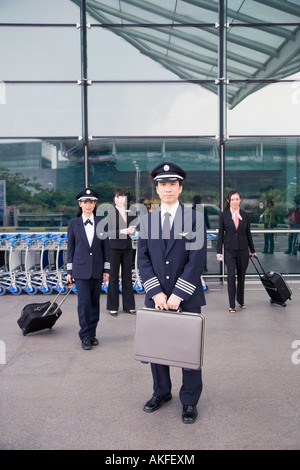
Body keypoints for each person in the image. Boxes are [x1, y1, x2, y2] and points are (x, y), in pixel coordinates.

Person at [138, 162, 207, 424]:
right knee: (158, 348)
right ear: (157, 188)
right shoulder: (148, 219)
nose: (167, 188)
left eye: (172, 184)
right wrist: (156, 292)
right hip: (157, 296)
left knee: (188, 350)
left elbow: (196, 259)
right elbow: (142, 259)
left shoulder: (194, 218)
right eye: (162, 184)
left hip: (185, 297)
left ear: (180, 188)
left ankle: (189, 400)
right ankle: (161, 392)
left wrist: (178, 294)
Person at [67, 188, 110, 350]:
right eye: (85, 202)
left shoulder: (101, 222)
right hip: (80, 270)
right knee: (84, 304)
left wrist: (107, 270)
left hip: (97, 269)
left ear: (95, 204)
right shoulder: (73, 224)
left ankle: (92, 334)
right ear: (80, 204)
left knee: (94, 304)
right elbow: (70, 248)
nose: (88, 205)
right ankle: (85, 336)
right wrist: (69, 272)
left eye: (91, 202)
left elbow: (106, 247)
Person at [216, 190, 256, 313]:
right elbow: (220, 234)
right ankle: (232, 304)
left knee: (241, 276)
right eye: (232, 199)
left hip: (243, 250)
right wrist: (219, 251)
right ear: (229, 201)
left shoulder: (245, 215)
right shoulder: (223, 215)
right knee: (231, 276)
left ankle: (241, 300)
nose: (235, 202)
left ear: (240, 200)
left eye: (237, 199)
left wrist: (253, 250)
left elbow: (248, 233)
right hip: (229, 250)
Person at [106, 188, 136, 316]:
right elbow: (108, 232)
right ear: (114, 199)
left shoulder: (130, 212)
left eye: (123, 197)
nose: (120, 199)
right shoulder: (110, 212)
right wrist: (123, 232)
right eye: (118, 197)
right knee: (113, 278)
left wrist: (132, 230)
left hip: (127, 247)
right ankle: (113, 306)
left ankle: (129, 306)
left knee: (127, 277)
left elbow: (133, 228)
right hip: (114, 248)